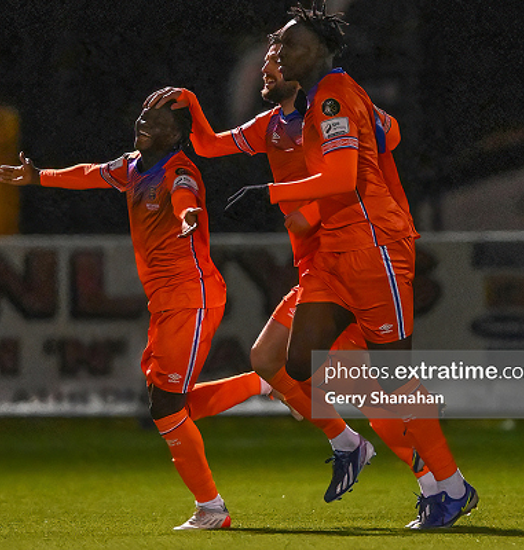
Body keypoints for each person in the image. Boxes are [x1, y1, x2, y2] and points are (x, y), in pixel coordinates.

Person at [144, 38, 440, 506]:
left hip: (345, 262)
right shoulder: (273, 125)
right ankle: (354, 446)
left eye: (275, 60)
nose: (265, 66)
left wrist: (311, 209)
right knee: (271, 359)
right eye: (266, 59)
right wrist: (194, 105)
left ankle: (433, 479)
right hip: (317, 269)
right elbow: (208, 144)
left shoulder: (326, 112)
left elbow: (381, 144)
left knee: (364, 389)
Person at [227, 1, 479, 529]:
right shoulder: (300, 114)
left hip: (369, 248)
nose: (272, 60)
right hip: (331, 262)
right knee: (295, 364)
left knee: (382, 381)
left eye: (285, 49)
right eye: (273, 50)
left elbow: (332, 191)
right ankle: (378, 453)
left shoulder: (330, 101)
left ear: (315, 55)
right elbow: (391, 135)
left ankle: (445, 484)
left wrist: (284, 196)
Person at [0, 100, 275, 530]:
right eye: (142, 118)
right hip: (167, 301)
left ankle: (212, 508)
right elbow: (90, 173)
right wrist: (38, 176)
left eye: (156, 123)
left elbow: (185, 194)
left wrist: (188, 214)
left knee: (165, 406)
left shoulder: (179, 170)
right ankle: (265, 383)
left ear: (175, 135)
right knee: (170, 405)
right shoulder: (134, 167)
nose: (143, 126)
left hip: (190, 297)